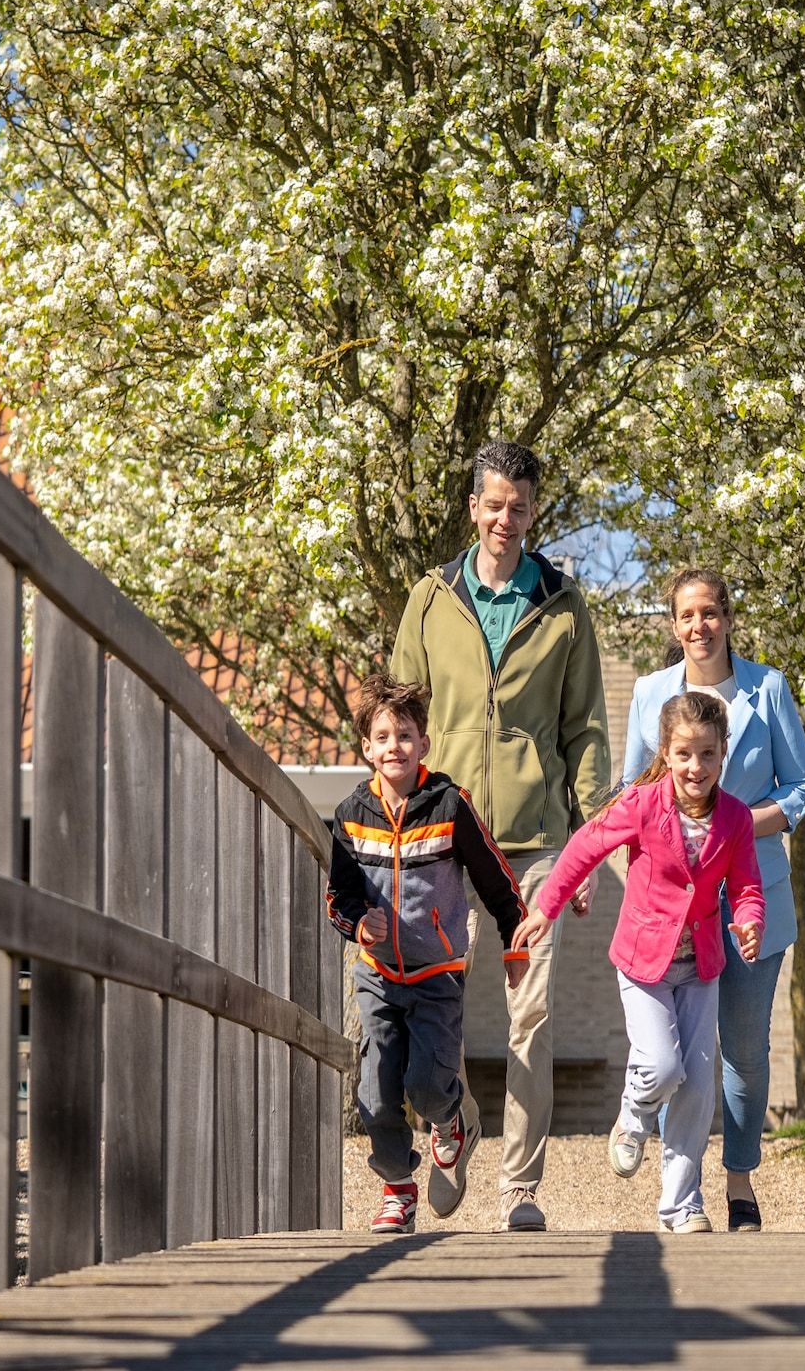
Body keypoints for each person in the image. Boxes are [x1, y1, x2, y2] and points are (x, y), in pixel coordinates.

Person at [391, 440, 613, 1232]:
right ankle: (454, 1127)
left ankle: (520, 1186)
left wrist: (588, 842)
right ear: (473, 507)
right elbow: (402, 716)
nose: (505, 519)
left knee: (532, 1014)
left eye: (519, 507)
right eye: (493, 504)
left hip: (536, 844)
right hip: (447, 841)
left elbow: (585, 728)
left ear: (531, 512)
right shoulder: (430, 598)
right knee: (436, 1006)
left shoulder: (562, 602)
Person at [516, 691, 763, 1234]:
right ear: (667, 754)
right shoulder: (644, 803)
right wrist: (546, 908)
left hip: (701, 965)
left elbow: (746, 886)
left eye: (706, 755)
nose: (695, 767)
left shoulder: (737, 818)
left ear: (723, 754)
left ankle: (682, 1205)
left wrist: (749, 922)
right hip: (643, 961)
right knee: (662, 1065)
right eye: (684, 754)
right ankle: (633, 1115)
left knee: (698, 1086)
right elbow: (584, 847)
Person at [621, 567, 805, 1233]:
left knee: (744, 1049)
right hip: (677, 908)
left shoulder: (769, 690)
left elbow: (801, 790)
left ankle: (738, 1178)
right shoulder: (649, 694)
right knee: (683, 1052)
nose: (699, 626)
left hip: (756, 899)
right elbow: (631, 796)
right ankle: (686, 1194)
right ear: (673, 626)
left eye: (710, 613)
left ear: (729, 618)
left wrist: (735, 821)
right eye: (686, 616)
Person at [326, 675, 529, 1235]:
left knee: (424, 1084)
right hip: (378, 975)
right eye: (383, 736)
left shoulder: (448, 803)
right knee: (374, 1091)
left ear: (424, 743)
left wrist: (515, 937)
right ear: (366, 746)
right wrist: (357, 924)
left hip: (438, 970)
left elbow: (494, 877)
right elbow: (337, 897)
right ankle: (398, 1190)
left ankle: (452, 1120)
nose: (395, 746)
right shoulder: (350, 814)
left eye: (406, 735)